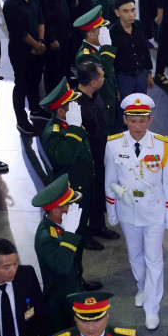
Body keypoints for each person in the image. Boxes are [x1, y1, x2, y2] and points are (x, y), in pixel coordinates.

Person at [105, 94, 168, 330]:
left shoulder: (163, 144)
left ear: (150, 120)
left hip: (154, 209)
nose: (137, 126)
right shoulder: (114, 144)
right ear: (125, 119)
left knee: (154, 258)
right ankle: (142, 286)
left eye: (142, 121)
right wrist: (111, 210)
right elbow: (110, 180)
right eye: (133, 120)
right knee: (135, 254)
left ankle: (152, 307)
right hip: (128, 209)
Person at [40, 78, 107, 259]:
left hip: (81, 184)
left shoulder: (69, 122)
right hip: (71, 189)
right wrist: (75, 129)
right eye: (72, 104)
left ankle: (79, 277)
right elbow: (66, 157)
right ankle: (76, 278)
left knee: (79, 230)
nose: (77, 106)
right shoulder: (54, 132)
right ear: (61, 111)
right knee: (72, 238)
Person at [30, 175, 85, 332]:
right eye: (69, 205)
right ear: (55, 210)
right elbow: (62, 267)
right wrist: (70, 233)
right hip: (60, 302)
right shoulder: (46, 237)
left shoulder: (59, 224)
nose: (72, 207)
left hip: (71, 290)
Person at [76, 61, 121, 245]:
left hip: (101, 153)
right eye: (102, 76)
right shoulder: (76, 105)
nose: (104, 78)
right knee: (86, 197)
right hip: (88, 159)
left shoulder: (95, 96)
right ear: (93, 82)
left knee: (98, 192)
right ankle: (83, 234)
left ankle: (97, 225)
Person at [2, 0, 47, 136]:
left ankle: (35, 109)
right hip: (21, 51)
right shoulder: (10, 5)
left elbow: (40, 20)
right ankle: (21, 120)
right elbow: (20, 33)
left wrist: (41, 42)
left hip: (38, 48)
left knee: (35, 80)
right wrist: (37, 46)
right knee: (21, 85)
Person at [32, 0, 77, 93]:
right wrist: (51, 38)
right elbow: (43, 15)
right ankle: (54, 96)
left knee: (65, 62)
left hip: (65, 28)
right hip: (53, 34)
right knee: (53, 67)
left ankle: (66, 88)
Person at [73, 6, 120, 136]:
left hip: (109, 98)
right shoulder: (85, 55)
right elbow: (105, 73)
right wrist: (107, 48)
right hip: (101, 103)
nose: (106, 33)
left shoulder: (97, 48)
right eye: (102, 30)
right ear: (91, 34)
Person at [110, 0, 155, 97]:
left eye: (133, 10)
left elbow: (145, 51)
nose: (131, 15)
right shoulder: (112, 33)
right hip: (123, 78)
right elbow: (111, 62)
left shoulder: (140, 26)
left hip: (141, 75)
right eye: (125, 11)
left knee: (141, 107)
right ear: (117, 13)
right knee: (124, 108)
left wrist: (149, 73)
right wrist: (115, 86)